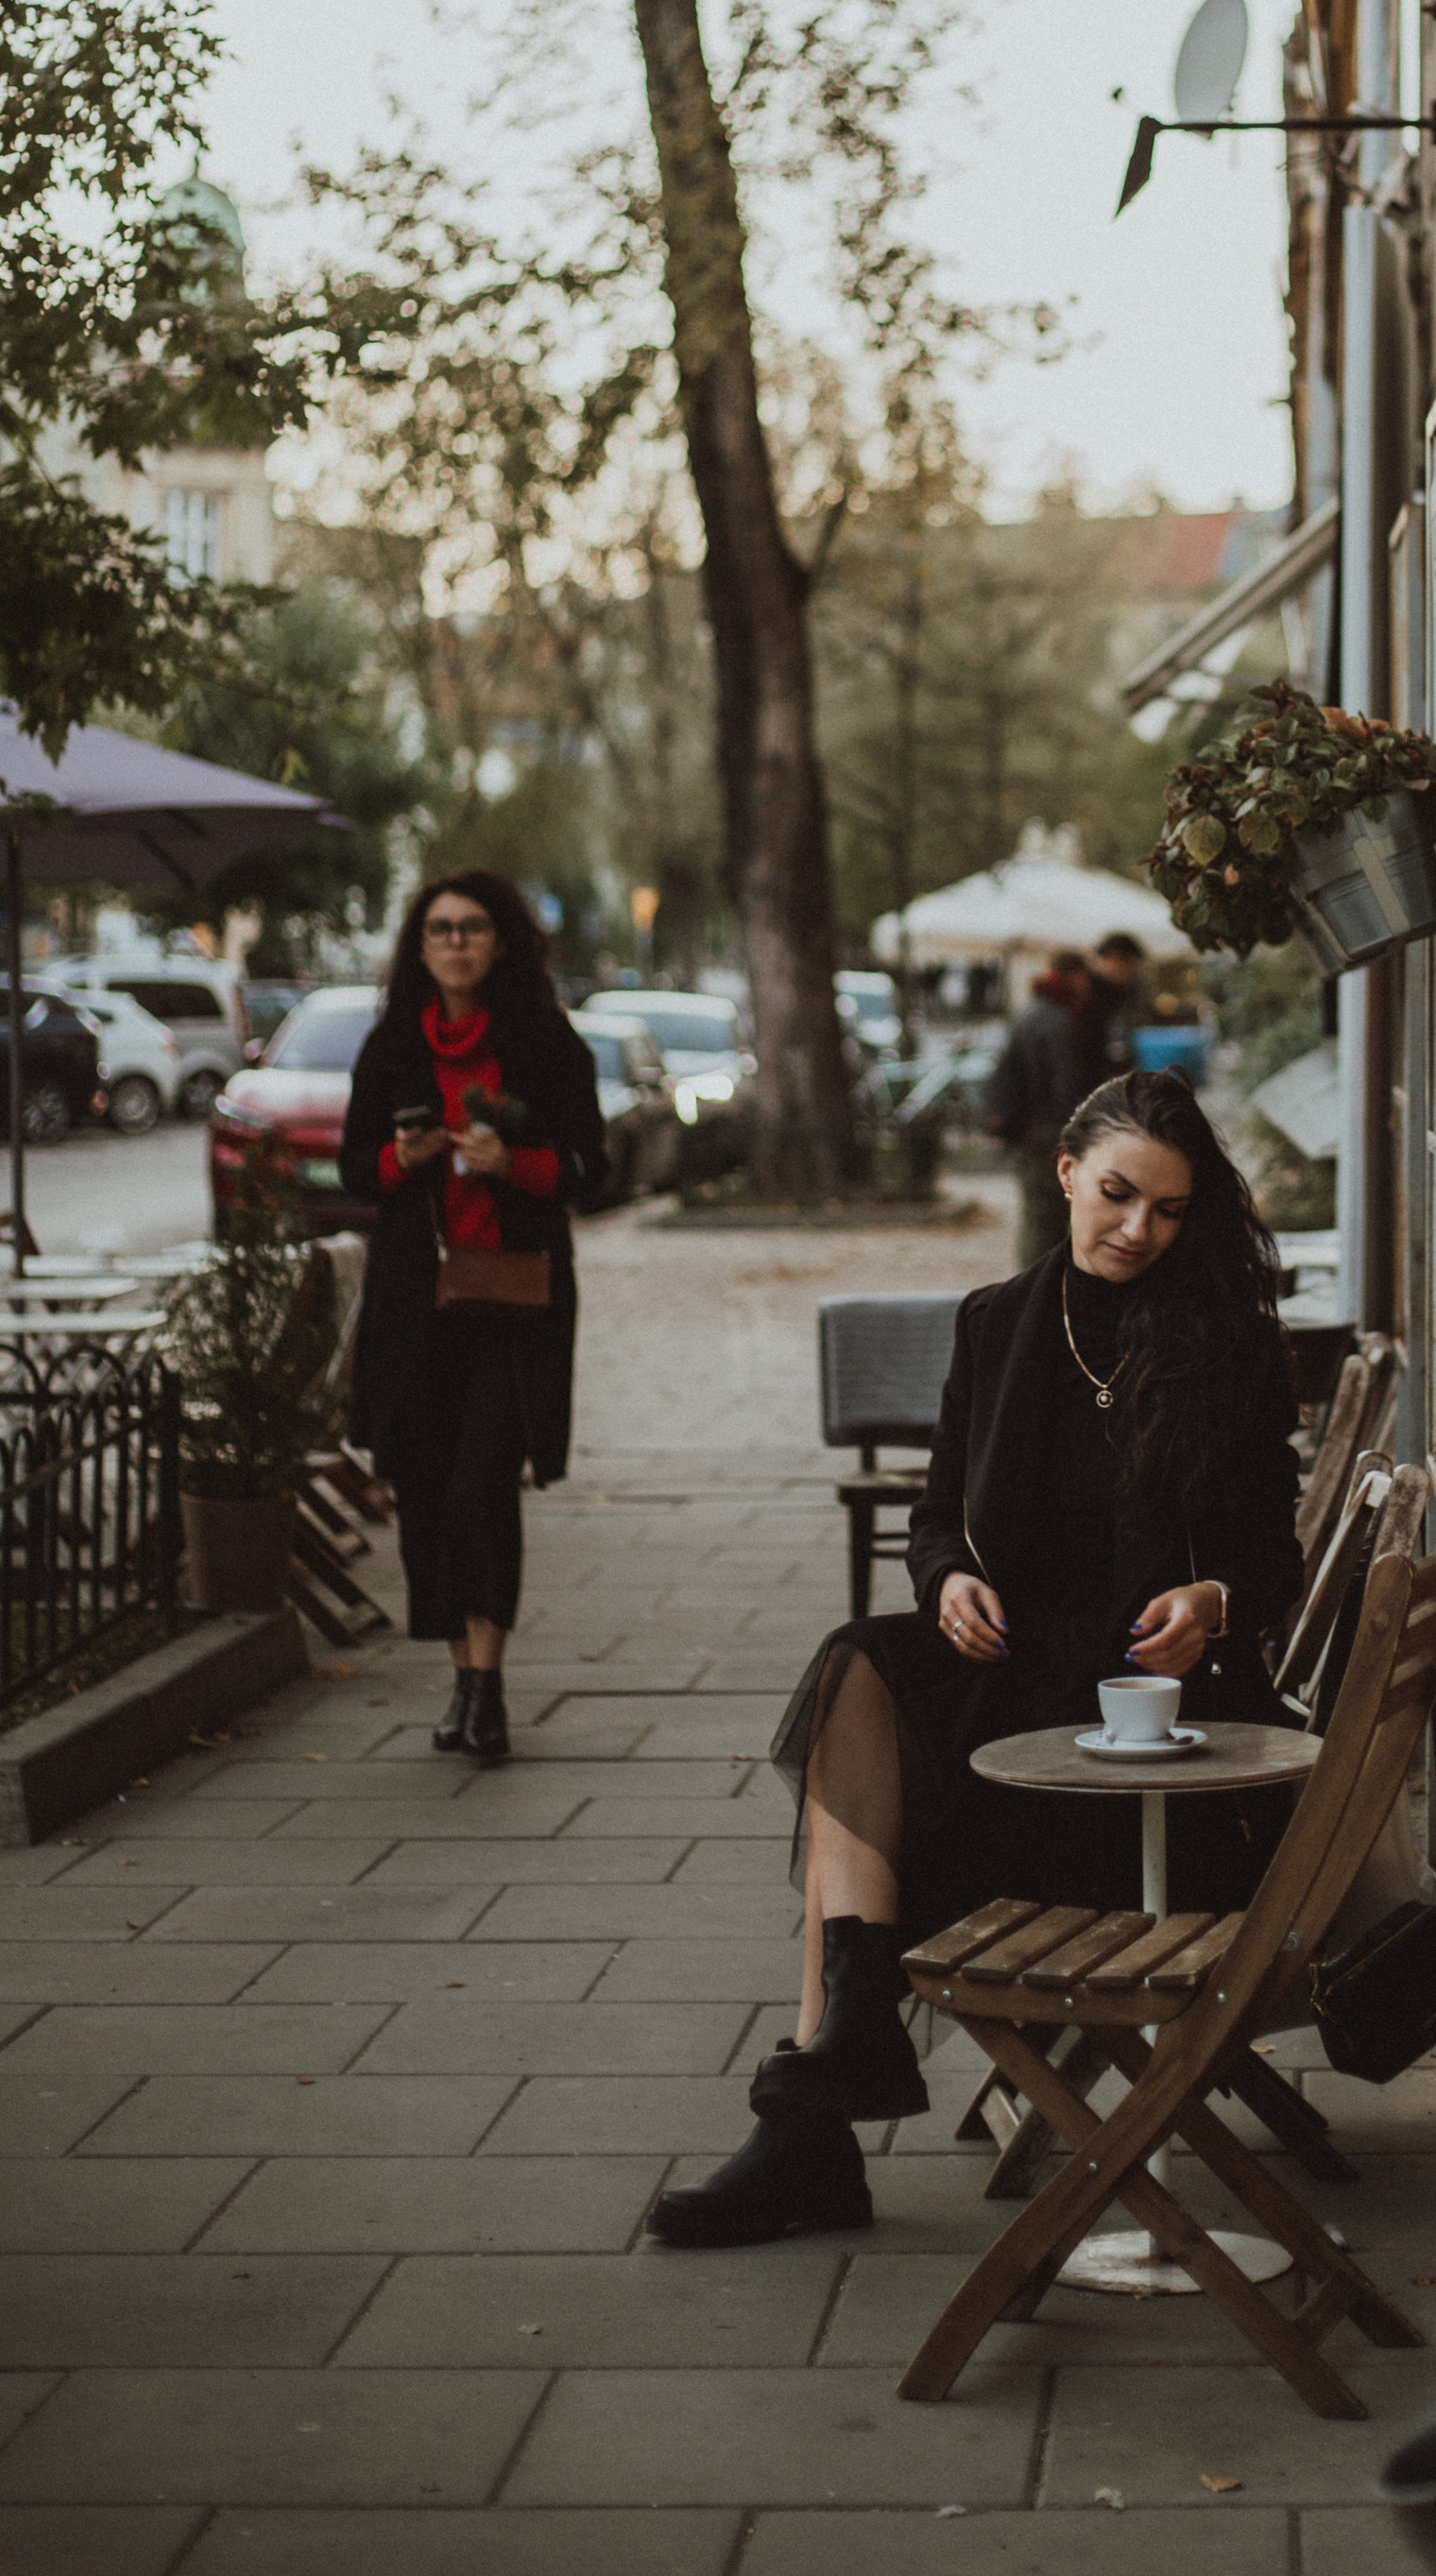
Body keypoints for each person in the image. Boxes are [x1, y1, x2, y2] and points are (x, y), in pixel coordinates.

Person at [648, 1067, 1303, 2248]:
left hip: (1153, 1739)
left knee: (870, 1784)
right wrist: (947, 1579)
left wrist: (1212, 1597)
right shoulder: (998, 1322)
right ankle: (841, 2043)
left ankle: (812, 2113)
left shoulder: (1232, 1346)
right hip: (1010, 1682)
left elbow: (1274, 1559)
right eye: (1113, 1195)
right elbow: (939, 1511)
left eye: (1164, 1209)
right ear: (1063, 1172)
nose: (1135, 1230)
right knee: (860, 1662)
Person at [339, 870, 607, 1762]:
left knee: (478, 1485)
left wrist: (514, 1164)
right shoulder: (391, 1050)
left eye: (474, 928)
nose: (456, 943)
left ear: (501, 944)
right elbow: (350, 1170)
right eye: (441, 930)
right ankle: (462, 1680)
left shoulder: (546, 1044)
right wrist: (400, 1157)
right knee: (424, 1486)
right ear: (420, 948)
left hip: (513, 1302)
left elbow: (588, 1168)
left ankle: (487, 1685)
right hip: (418, 1306)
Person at [983, 948, 1100, 1265]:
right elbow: (1066, 1082)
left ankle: (1031, 1285)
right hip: (1049, 1129)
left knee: (1037, 1213)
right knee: (1046, 1217)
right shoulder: (1058, 1019)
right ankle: (1035, 1289)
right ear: (1074, 977)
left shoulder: (1028, 1011)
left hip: (1027, 1127)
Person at [1086, 928, 1148, 1077]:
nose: (1132, 973)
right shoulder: (1087, 994)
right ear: (1113, 959)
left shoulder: (1122, 991)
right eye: (1131, 966)